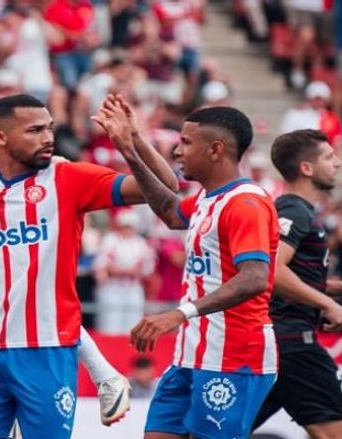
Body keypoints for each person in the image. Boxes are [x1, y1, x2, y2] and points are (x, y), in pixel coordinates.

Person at [0, 94, 179, 437]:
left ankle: (104, 372)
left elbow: (167, 190)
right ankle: (105, 372)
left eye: (50, 128)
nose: (48, 138)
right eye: (35, 130)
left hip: (47, 348)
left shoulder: (67, 177)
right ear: (0, 137)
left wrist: (131, 144)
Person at [95, 99, 278, 439]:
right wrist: (132, 145)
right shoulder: (209, 198)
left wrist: (180, 313)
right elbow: (169, 211)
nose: (177, 151)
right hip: (190, 354)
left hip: (233, 356)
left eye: (186, 143)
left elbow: (255, 277)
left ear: (215, 150)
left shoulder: (246, 203)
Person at [252, 129, 342, 438]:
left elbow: (296, 277)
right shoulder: (293, 210)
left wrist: (334, 290)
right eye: (329, 157)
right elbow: (272, 271)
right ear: (306, 168)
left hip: (277, 343)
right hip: (292, 343)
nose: (337, 162)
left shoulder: (299, 210)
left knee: (224, 432)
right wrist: (328, 304)